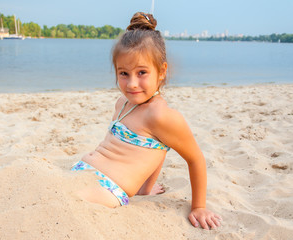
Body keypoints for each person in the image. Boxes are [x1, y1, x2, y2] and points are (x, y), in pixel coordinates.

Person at [71, 12, 222, 230]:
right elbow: (157, 149)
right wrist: (145, 187)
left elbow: (196, 159)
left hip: (107, 188)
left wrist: (199, 206)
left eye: (142, 72)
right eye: (123, 73)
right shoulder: (122, 103)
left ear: (161, 71)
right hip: (83, 170)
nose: (132, 84)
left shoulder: (161, 116)